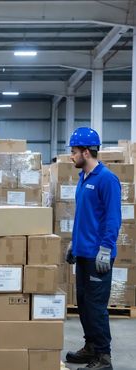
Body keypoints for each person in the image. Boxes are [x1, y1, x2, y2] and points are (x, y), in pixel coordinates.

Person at [65, 127, 121, 370]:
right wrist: (73, 243)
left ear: (86, 152)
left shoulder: (106, 179)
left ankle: (103, 356)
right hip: (83, 253)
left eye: (74, 151)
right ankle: (90, 347)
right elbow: (84, 217)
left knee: (97, 308)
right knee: (84, 305)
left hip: (99, 256)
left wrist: (106, 249)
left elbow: (112, 218)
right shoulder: (83, 178)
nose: (71, 156)